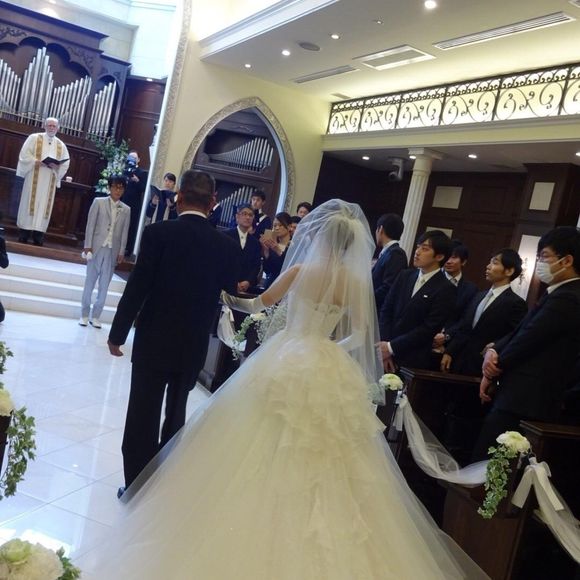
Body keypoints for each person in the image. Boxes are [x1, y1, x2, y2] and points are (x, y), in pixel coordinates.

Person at [95, 199, 487, 579]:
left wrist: (219, 294)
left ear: (321, 237)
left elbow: (258, 304)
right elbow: (360, 334)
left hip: (289, 353)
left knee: (258, 431)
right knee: (329, 446)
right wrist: (331, 349)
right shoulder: (354, 281)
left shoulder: (300, 270)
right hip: (327, 361)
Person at [108, 170, 240, 492]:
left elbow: (138, 288)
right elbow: (230, 288)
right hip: (193, 343)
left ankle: (136, 486)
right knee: (176, 413)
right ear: (212, 202)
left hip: (154, 339)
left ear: (178, 197)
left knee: (143, 413)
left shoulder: (158, 233)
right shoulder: (225, 245)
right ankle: (164, 487)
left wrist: (117, 334)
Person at [474, 226, 580, 460]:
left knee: (493, 463)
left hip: (527, 398)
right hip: (517, 393)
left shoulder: (569, 297)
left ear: (566, 260)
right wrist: (494, 350)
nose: (540, 262)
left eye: (544, 256)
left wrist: (493, 367)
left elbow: (529, 338)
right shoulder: (555, 292)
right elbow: (519, 330)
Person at [440, 249, 527, 463]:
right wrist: (450, 351)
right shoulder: (479, 296)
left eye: (495, 262)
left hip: (484, 371)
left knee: (470, 421)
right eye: (489, 261)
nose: (488, 266)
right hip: (461, 364)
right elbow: (465, 328)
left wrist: (496, 346)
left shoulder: (515, 303)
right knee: (451, 415)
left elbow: (515, 336)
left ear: (509, 271)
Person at [379, 229, 456, 371]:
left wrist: (391, 347)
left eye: (425, 249)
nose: (417, 252)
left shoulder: (446, 288)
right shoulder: (405, 276)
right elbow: (386, 309)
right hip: (383, 351)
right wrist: (384, 345)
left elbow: (428, 328)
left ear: (439, 256)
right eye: (418, 246)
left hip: (412, 359)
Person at [79, 175, 131, 328]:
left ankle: (96, 316)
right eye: (115, 187)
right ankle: (84, 314)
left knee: (104, 285)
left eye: (121, 188)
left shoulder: (126, 209)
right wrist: (87, 245)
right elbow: (90, 225)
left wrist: (121, 251)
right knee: (90, 282)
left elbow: (125, 232)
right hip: (96, 247)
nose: (118, 190)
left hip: (112, 250)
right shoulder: (99, 202)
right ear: (109, 188)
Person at [16, 117, 70, 246]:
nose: (51, 128)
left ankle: (38, 235)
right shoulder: (34, 138)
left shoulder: (61, 145)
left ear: (58, 128)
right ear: (44, 126)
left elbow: (65, 163)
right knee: (29, 203)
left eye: (54, 126)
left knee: (44, 206)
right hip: (33, 176)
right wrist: (36, 161)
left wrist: (57, 166)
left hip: (49, 180)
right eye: (49, 125)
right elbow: (24, 155)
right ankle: (24, 233)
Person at [372, 213, 407, 313]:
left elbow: (388, 287)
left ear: (381, 229)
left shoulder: (396, 253)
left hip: (380, 311)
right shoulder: (388, 252)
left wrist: (366, 299)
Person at [223, 202, 262, 293]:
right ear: (237, 217)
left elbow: (256, 266)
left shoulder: (255, 243)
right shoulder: (225, 235)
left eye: (250, 215)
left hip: (244, 288)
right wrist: (231, 281)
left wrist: (248, 281)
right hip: (224, 285)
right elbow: (221, 261)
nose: (247, 217)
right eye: (244, 214)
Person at [121, 150, 148, 257]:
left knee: (131, 225)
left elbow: (144, 188)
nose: (132, 160)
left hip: (134, 204)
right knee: (121, 224)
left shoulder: (141, 173)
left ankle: (128, 248)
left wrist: (137, 181)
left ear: (138, 160)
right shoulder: (124, 170)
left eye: (134, 158)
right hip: (123, 200)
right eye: (130, 157)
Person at [260, 211, 291, 289]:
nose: (277, 228)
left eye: (280, 225)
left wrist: (278, 251)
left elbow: (289, 267)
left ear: (289, 227)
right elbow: (267, 270)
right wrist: (266, 251)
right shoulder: (272, 244)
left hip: (287, 285)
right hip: (271, 284)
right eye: (275, 225)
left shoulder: (294, 245)